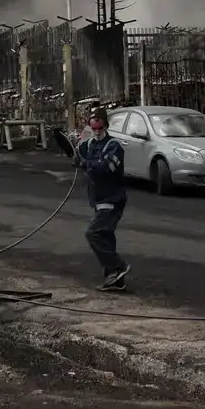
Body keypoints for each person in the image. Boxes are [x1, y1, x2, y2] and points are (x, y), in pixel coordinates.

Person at [73, 105, 129, 289]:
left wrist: (85, 163)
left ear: (106, 125)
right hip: (98, 198)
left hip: (112, 198)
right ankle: (115, 280)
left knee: (93, 233)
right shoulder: (88, 145)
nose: (97, 132)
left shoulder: (114, 146)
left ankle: (118, 266)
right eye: (94, 128)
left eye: (100, 128)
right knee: (106, 236)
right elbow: (76, 153)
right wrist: (74, 156)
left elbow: (107, 168)